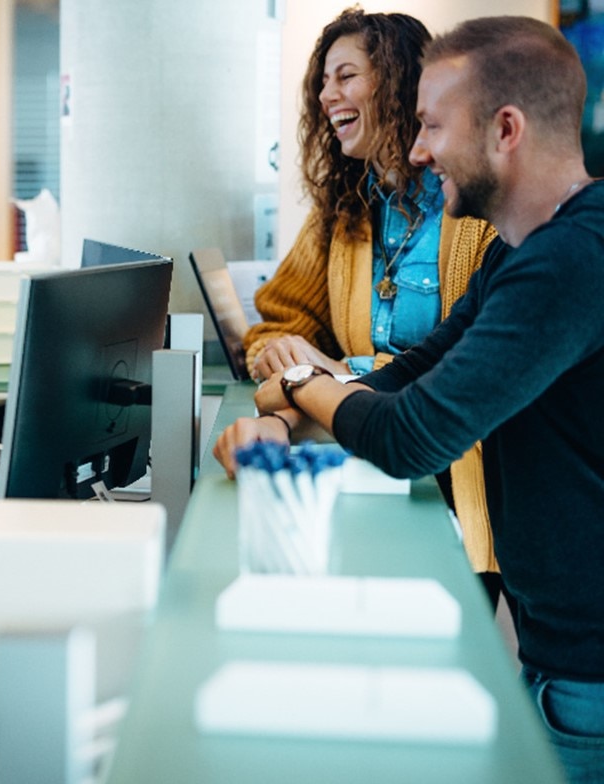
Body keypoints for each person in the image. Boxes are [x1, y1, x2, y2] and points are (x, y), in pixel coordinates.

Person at [214, 17, 603, 782]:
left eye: (431, 127)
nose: (419, 150)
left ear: (505, 130)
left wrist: (301, 383)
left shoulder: (567, 264)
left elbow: (411, 433)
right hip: (552, 644)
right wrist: (279, 416)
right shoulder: (517, 253)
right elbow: (408, 370)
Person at [243, 8, 503, 606]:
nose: (325, 93)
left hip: (452, 474)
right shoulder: (345, 209)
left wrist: (330, 378)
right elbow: (277, 318)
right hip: (365, 454)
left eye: (345, 76)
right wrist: (279, 353)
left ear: (396, 81)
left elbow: (473, 364)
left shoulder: (471, 209)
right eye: (323, 80)